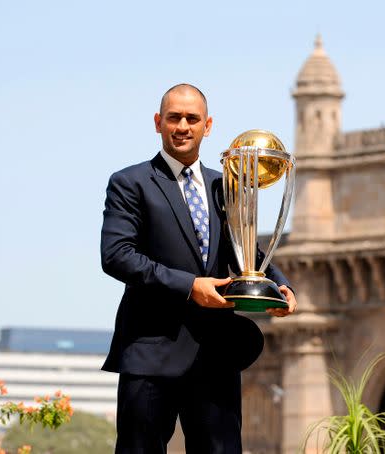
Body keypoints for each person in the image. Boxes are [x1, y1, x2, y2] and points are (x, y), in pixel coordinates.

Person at [100, 83, 296, 453]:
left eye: (192, 118)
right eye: (174, 117)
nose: (183, 126)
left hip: (216, 356)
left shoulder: (227, 184)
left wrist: (279, 284)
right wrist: (191, 286)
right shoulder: (130, 183)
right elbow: (117, 255)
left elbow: (245, 247)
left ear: (208, 126)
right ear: (159, 123)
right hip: (151, 353)